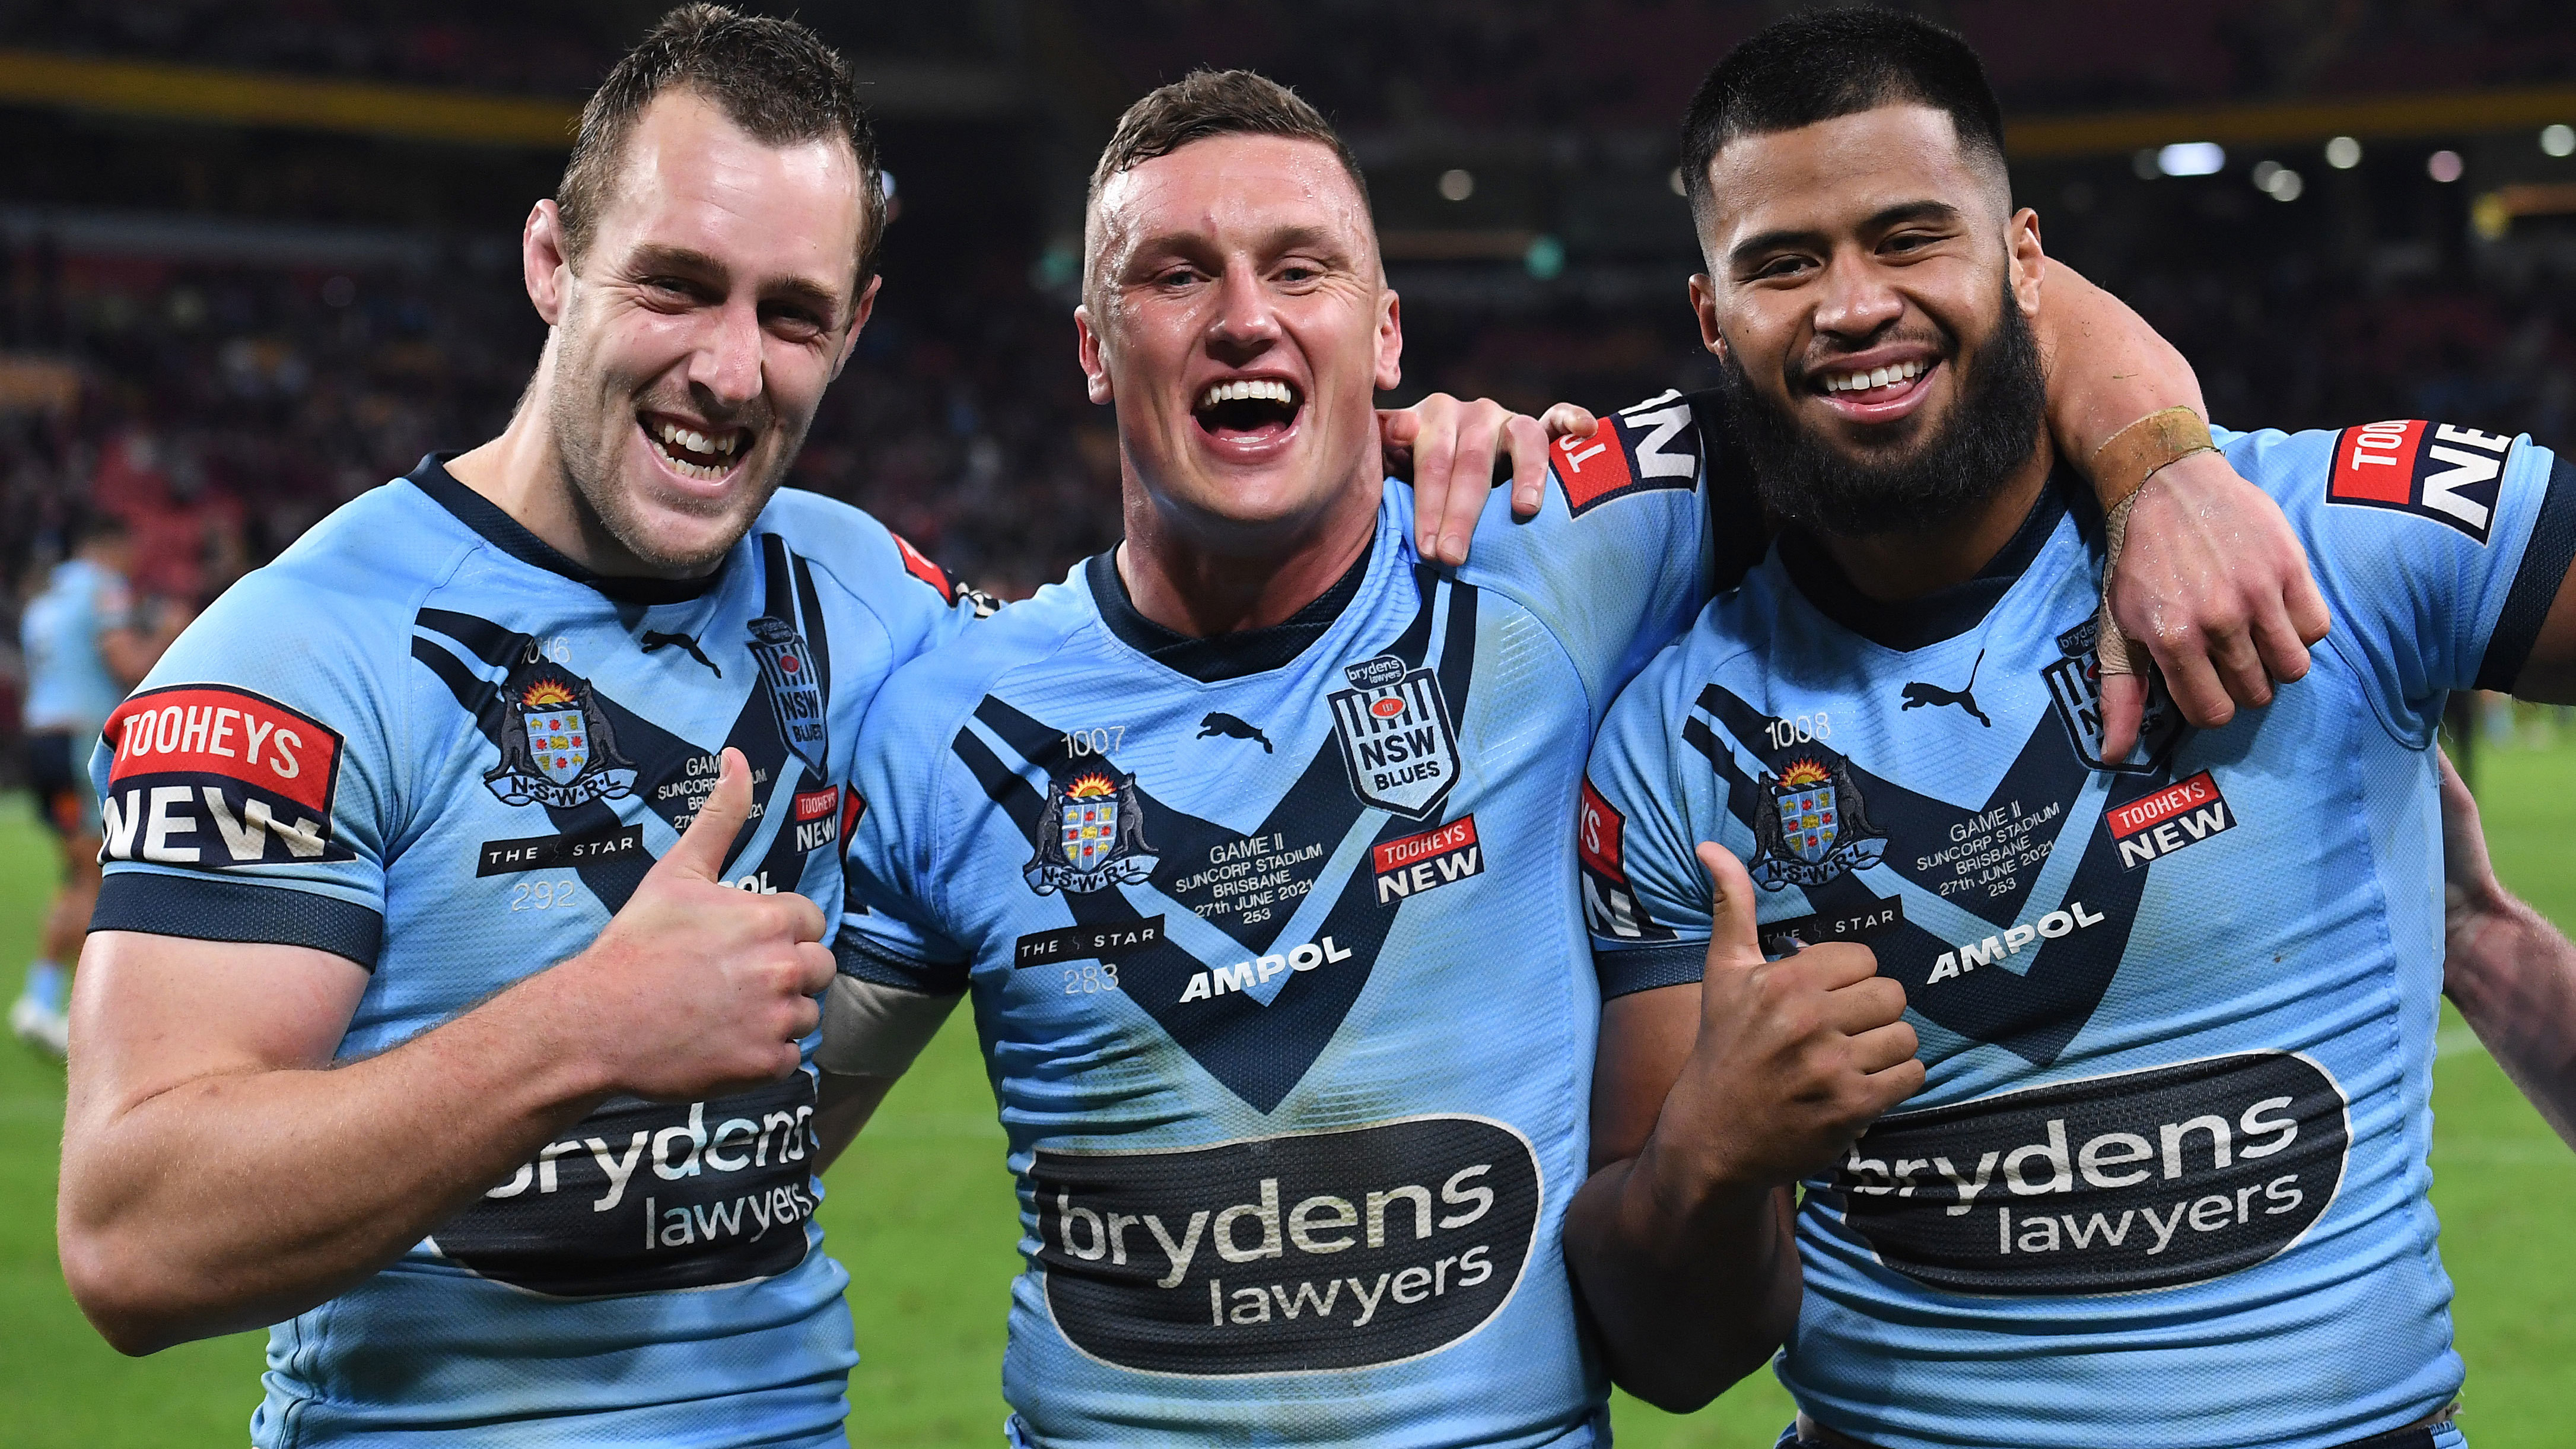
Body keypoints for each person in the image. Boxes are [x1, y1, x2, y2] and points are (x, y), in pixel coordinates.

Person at [46, 11, 1584, 1442]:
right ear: (551, 258)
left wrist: (1406, 459)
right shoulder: (293, 656)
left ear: (852, 326)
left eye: (788, 313)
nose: (727, 368)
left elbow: (1111, 678)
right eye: (673, 284)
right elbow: (133, 1232)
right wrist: (578, 1035)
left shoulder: (869, 601)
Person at [819, 67, 2316, 1447]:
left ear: (1386, 331)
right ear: (1093, 346)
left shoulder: (1566, 539)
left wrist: (2160, 461)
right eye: (1174, 274)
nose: (1243, 318)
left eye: (1300, 266)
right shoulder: (951, 712)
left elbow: (1963, 322)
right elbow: (754, 1157)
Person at [1566, 11, 2576, 1449]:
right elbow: (1668, 1355)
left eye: (1909, 236)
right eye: (1783, 262)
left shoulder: (2326, 541)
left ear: (2027, 261)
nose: (1853, 304)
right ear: (1711, 318)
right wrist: (1707, 1153)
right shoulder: (1673, 745)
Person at [11, 513, 173, 1057]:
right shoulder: (107, 589)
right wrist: (173, 636)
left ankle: (41, 998)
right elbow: (129, 663)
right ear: (113, 547)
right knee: (96, 876)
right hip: (84, 739)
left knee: (79, 869)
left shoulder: (45, 598)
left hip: (41, 738)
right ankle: (89, 1020)